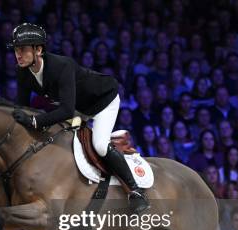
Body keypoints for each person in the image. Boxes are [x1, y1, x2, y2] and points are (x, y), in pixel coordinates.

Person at [8, 23, 148, 213]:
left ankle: (135, 191)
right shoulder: (22, 71)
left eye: (23, 49)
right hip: (76, 108)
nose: (18, 54)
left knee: (99, 144)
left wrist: (34, 121)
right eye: (16, 49)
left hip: (102, 101)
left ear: (38, 49)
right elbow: (22, 107)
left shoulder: (61, 65)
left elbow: (65, 110)